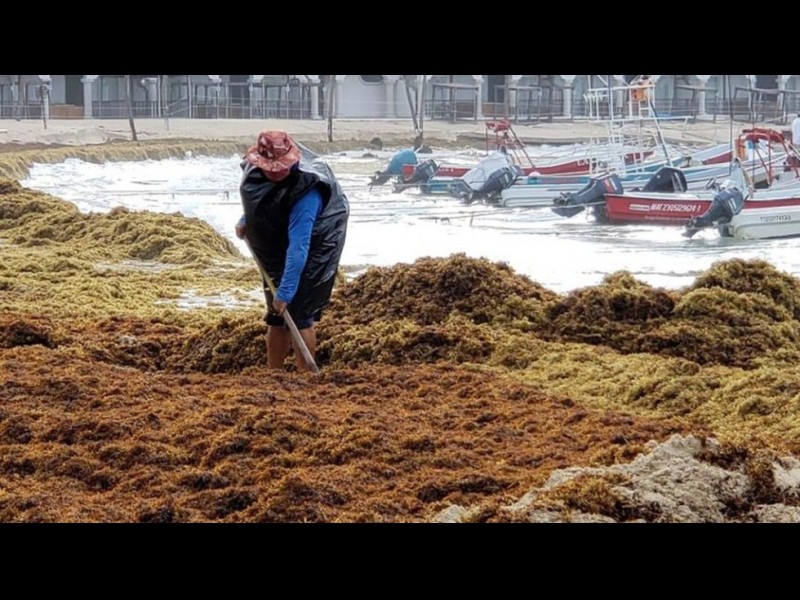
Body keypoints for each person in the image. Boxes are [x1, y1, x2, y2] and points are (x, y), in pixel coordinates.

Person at [235, 130, 349, 372]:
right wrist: (247, 219)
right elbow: (261, 201)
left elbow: (299, 245)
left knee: (299, 313)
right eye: (271, 168)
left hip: (316, 241)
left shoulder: (308, 192)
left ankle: (305, 378)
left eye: (282, 166)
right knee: (276, 316)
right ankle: (274, 374)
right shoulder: (256, 172)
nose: (277, 171)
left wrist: (286, 291)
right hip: (277, 239)